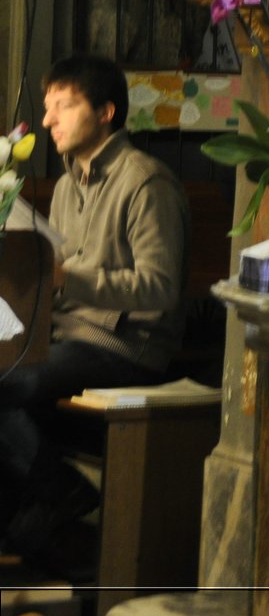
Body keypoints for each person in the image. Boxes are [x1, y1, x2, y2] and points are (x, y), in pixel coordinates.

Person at [0, 55, 189, 572]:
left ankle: (61, 495)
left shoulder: (146, 182)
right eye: (47, 107)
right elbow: (56, 283)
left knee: (6, 383)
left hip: (127, 345)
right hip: (68, 337)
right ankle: (38, 539)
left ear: (106, 112)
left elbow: (162, 289)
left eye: (64, 105)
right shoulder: (65, 186)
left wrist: (65, 278)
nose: (47, 120)